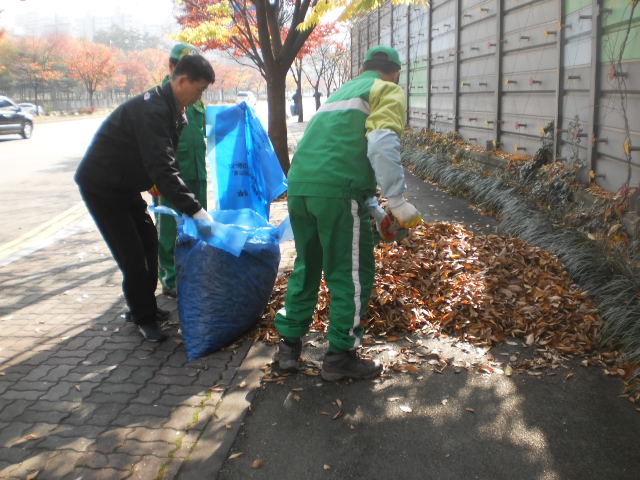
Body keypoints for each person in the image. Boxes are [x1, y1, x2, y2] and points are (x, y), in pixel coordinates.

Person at [274, 46, 423, 381]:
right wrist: (396, 202)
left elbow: (340, 151)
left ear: (365, 67)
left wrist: (372, 207)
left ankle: (288, 346)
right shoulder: (386, 90)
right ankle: (341, 355)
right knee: (350, 273)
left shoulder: (342, 92)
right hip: (339, 194)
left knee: (307, 265)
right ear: (396, 72)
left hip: (300, 187)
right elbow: (381, 143)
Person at [75, 54, 216, 342]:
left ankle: (142, 306)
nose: (201, 95)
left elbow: (163, 159)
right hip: (102, 187)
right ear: (181, 80)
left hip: (123, 185)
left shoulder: (173, 106)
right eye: (199, 88)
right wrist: (196, 210)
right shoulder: (153, 110)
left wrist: (153, 181)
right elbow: (163, 166)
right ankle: (143, 316)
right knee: (133, 255)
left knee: (148, 242)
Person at [153, 43, 208, 298]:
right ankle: (171, 278)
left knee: (197, 226)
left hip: (196, 173)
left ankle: (193, 271)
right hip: (171, 176)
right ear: (172, 67)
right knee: (170, 229)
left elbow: (201, 132)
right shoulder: (160, 98)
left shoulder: (196, 100)